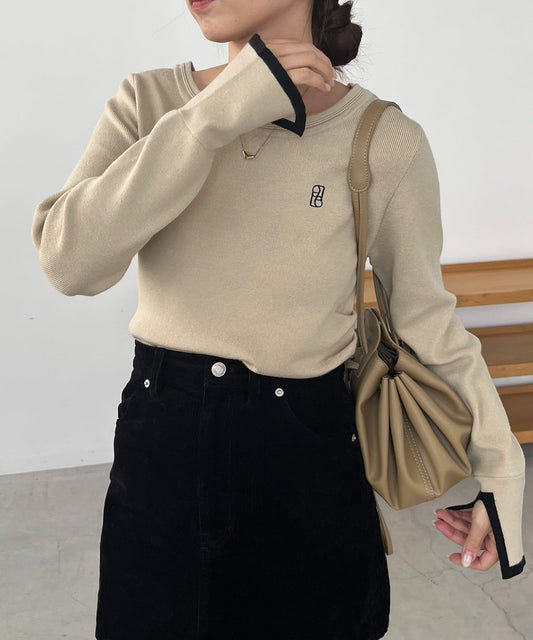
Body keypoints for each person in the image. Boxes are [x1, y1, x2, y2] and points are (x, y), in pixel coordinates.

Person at [31, 0, 526, 638]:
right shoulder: (149, 102)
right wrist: (211, 117)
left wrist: (502, 468)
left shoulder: (381, 137)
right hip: (160, 457)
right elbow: (70, 264)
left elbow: (426, 321)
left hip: (306, 460)